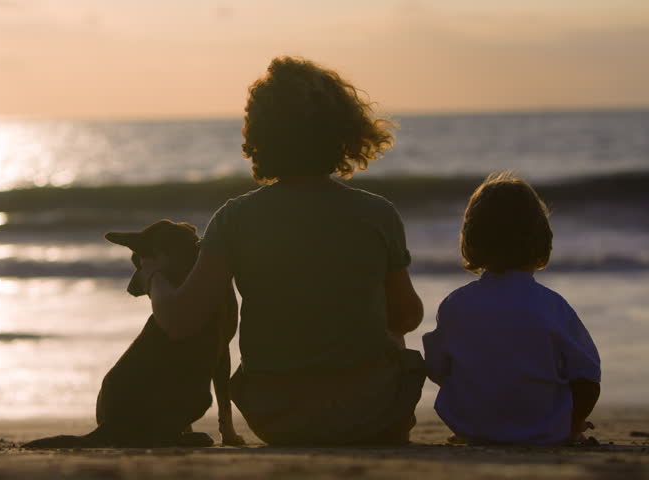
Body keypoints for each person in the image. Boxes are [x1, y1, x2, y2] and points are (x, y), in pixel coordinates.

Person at [136, 56, 426, 446]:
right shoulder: (378, 213)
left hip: (274, 414)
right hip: (368, 413)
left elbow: (179, 322)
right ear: (341, 132)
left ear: (259, 135)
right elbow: (407, 315)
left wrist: (154, 274)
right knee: (398, 344)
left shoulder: (235, 218)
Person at [422, 172, 601, 445]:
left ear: (470, 239)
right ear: (542, 239)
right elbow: (588, 376)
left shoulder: (455, 304)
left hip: (471, 426)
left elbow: (437, 369)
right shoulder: (551, 305)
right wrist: (573, 421)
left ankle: (486, 423)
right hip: (547, 430)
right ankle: (567, 428)